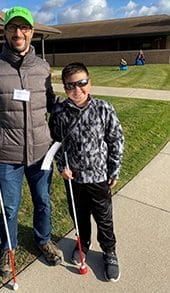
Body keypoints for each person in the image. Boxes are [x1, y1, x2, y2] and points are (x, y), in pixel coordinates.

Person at [0, 6, 63, 279]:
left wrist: (66, 121)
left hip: (41, 153)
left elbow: (51, 104)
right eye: (13, 27)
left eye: (24, 28)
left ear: (31, 32)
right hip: (6, 155)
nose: (18, 33)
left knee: (43, 201)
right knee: (9, 207)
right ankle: (8, 248)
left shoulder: (43, 67)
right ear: (5, 31)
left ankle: (43, 239)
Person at [49, 62, 124, 282]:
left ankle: (109, 252)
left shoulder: (103, 108)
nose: (77, 90)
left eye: (82, 83)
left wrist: (114, 169)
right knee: (78, 214)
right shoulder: (60, 112)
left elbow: (116, 140)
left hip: (99, 176)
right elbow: (55, 143)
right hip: (73, 178)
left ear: (89, 83)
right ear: (65, 88)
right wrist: (62, 166)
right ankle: (83, 243)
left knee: (104, 217)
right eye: (70, 85)